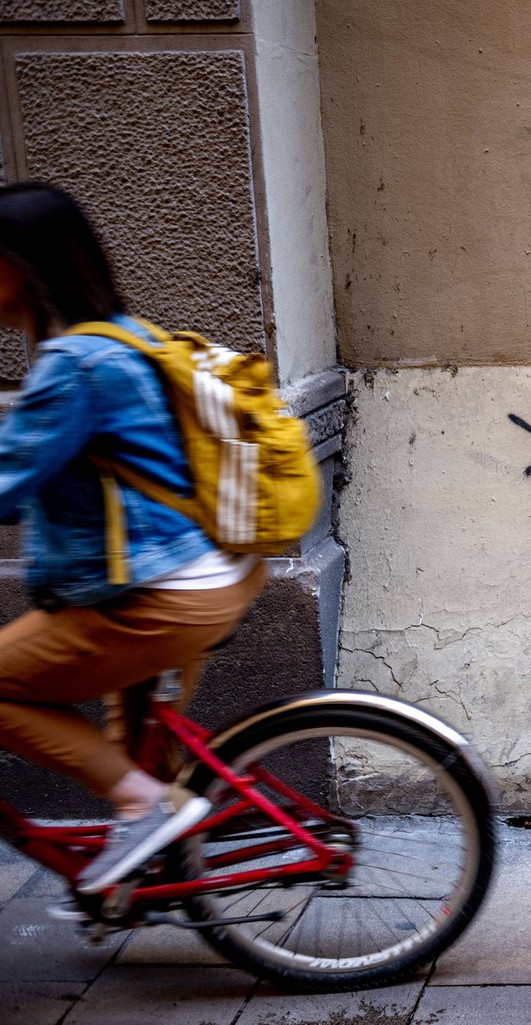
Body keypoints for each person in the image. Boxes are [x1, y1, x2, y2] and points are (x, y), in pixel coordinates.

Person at [0, 183, 263, 898]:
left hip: (158, 594)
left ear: (24, 265)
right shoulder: (131, 336)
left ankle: (149, 810)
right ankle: (165, 870)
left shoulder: (75, 367)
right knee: (137, 745)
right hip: (213, 571)